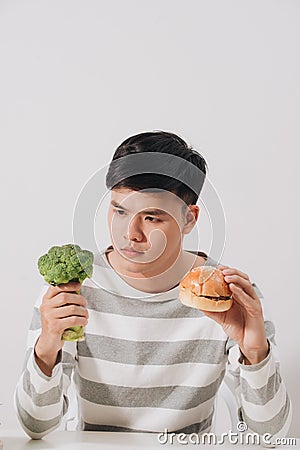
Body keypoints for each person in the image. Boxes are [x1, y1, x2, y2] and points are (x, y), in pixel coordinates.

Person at [15, 131, 291, 439]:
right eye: (119, 210)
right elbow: (35, 426)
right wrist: (48, 344)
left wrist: (255, 350)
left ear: (189, 219)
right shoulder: (73, 289)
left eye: (151, 218)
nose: (130, 234)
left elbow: (271, 434)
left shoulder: (226, 296)